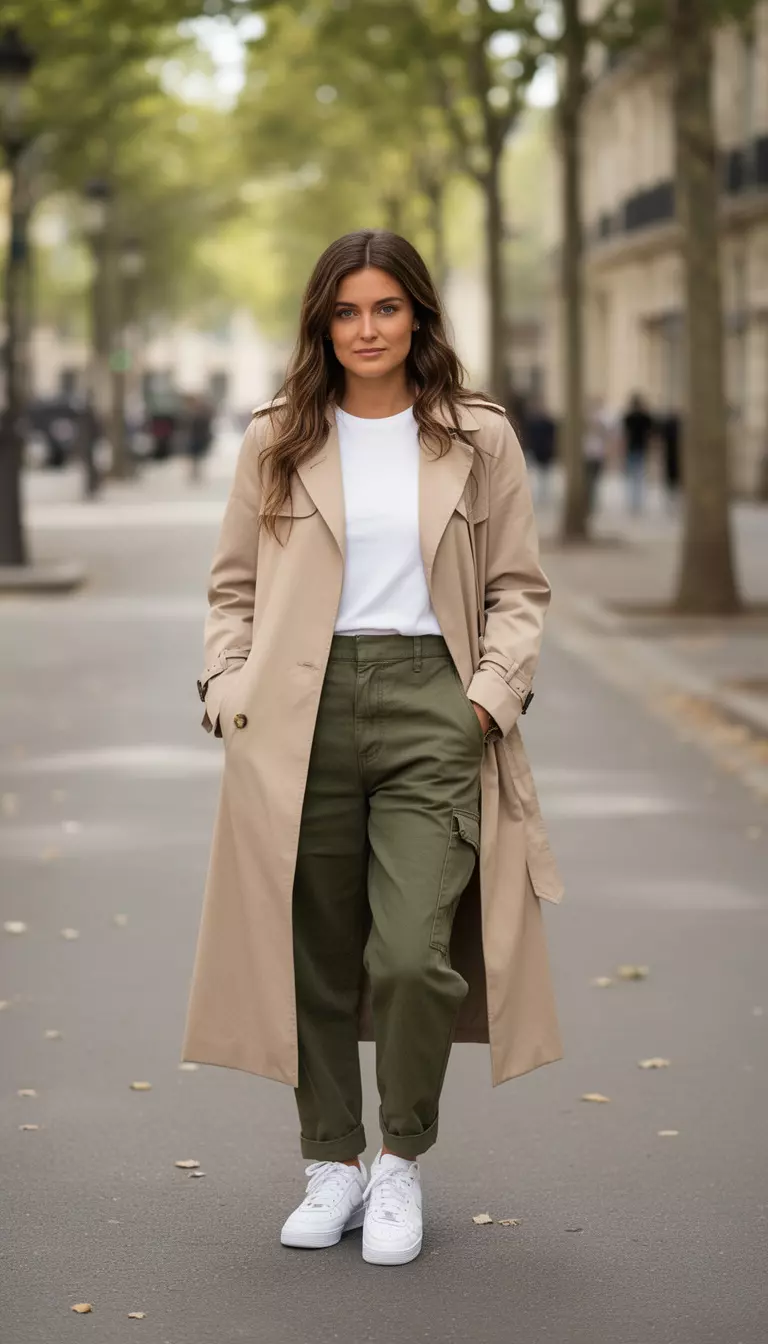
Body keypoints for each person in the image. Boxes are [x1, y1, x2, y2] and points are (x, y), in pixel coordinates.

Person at [182, 230, 563, 1267]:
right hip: (296, 711)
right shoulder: (279, 436)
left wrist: (484, 702)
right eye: (346, 311)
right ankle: (331, 1162)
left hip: (435, 703)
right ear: (322, 322)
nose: (366, 329)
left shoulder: (477, 436)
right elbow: (231, 588)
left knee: (410, 956)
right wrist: (226, 687)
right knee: (310, 949)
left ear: (417, 316)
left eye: (385, 307)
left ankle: (399, 1158)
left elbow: (518, 588)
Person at [622, 392, 654, 515]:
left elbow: (624, 435)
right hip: (640, 449)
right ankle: (637, 502)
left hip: (632, 449)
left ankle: (633, 502)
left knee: (632, 477)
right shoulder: (644, 417)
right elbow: (651, 433)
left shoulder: (629, 417)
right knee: (639, 477)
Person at [523, 396, 557, 507]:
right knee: (538, 476)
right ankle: (541, 496)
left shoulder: (548, 423)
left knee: (545, 476)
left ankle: (545, 496)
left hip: (546, 452)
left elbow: (553, 437)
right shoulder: (532, 423)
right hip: (538, 451)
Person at [583, 397, 610, 514]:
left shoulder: (601, 424)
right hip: (588, 456)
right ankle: (589, 503)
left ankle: (591, 503)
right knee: (589, 481)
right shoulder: (585, 423)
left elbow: (606, 440)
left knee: (593, 481)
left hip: (597, 456)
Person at [184, 393, 214, 483]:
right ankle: (194, 473)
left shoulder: (201, 413)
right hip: (195, 438)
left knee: (197, 457)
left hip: (199, 438)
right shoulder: (193, 412)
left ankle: (196, 473)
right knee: (194, 457)